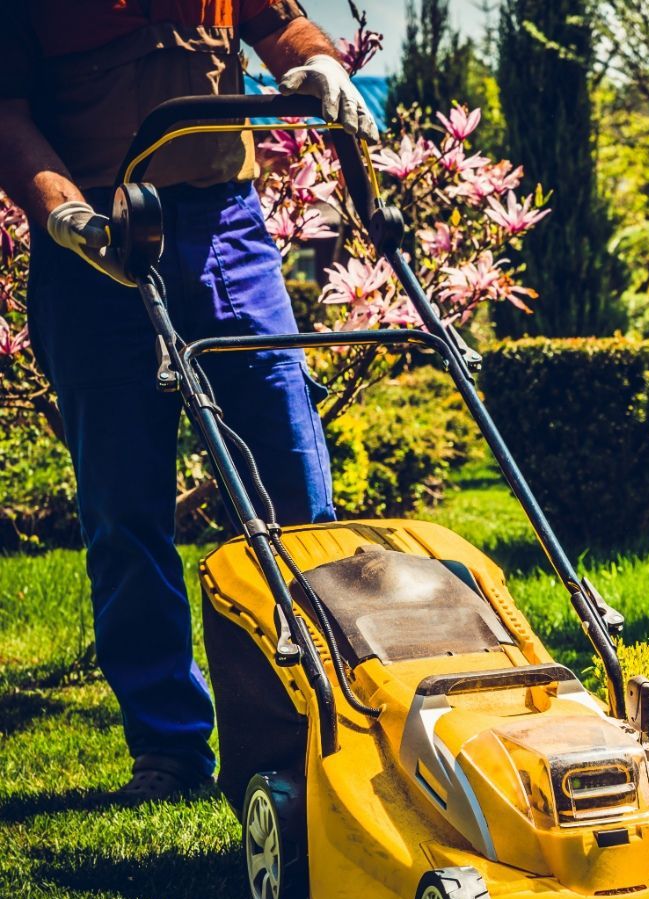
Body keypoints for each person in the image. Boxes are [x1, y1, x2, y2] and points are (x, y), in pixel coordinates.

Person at [0, 2, 378, 804]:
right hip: (94, 239)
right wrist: (62, 211)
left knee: (294, 485)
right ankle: (169, 745)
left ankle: (316, 718)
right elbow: (8, 112)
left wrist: (316, 63)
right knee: (124, 507)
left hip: (227, 229)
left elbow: (281, 25)